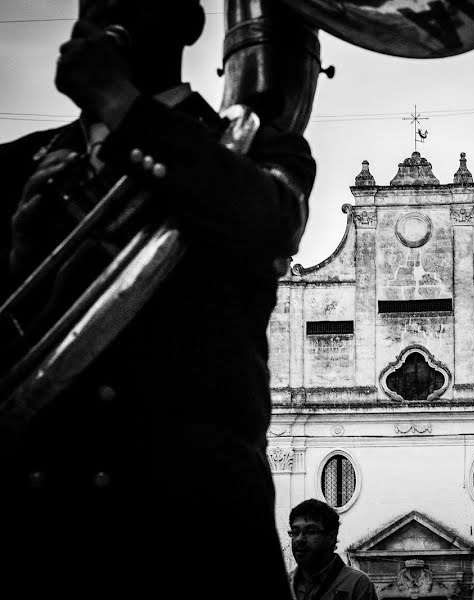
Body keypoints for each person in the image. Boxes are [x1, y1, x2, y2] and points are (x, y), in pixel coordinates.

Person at [0, 1, 314, 599]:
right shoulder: (14, 166)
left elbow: (265, 221)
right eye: (90, 1)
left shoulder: (258, 148)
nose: (101, 11)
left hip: (191, 540)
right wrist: (18, 255)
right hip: (43, 534)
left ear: (189, 25)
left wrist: (122, 107)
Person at [288, 499, 377, 600]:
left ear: (331, 537)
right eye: (295, 532)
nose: (299, 539)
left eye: (310, 531)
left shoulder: (358, 585)